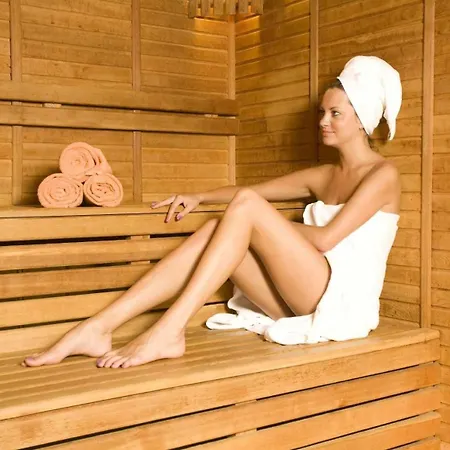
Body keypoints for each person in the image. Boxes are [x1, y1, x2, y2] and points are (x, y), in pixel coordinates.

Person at [22, 55, 403, 369]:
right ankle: (98, 327)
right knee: (217, 227)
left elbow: (325, 239)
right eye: (322, 111)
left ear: (362, 118)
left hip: (341, 304)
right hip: (298, 301)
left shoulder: (383, 175)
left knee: (244, 212)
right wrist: (199, 196)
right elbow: (249, 193)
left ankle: (169, 330)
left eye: (335, 113)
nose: (322, 121)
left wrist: (255, 222)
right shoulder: (324, 174)